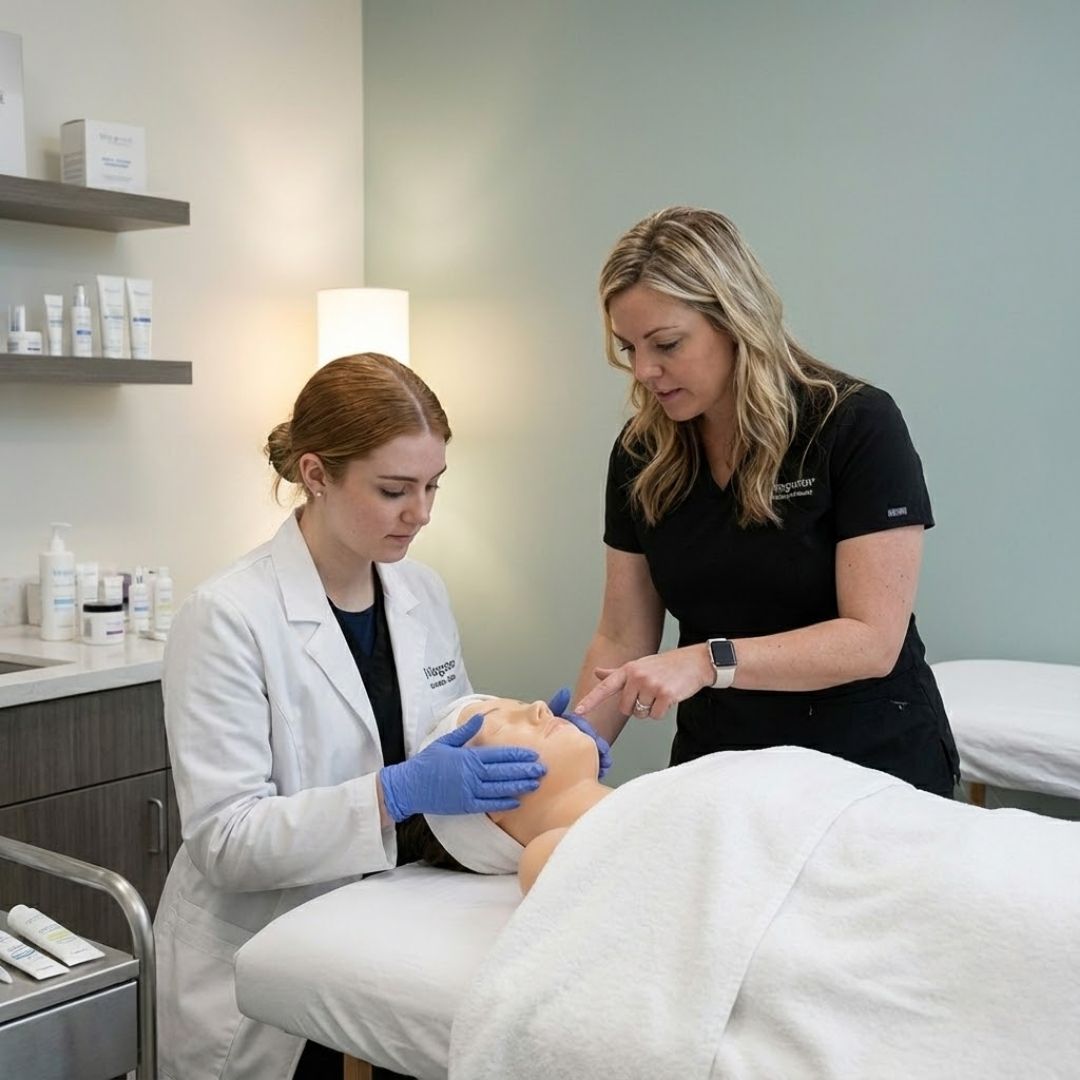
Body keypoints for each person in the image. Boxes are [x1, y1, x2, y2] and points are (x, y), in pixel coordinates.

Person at [153, 353, 555, 1080]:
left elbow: (444, 734)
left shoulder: (420, 592)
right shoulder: (226, 618)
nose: (422, 513)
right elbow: (227, 840)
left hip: (390, 943)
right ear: (315, 474)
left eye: (433, 487)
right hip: (266, 957)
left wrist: (524, 737)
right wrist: (393, 795)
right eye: (395, 490)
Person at [431, 697, 1080, 1080]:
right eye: (506, 719)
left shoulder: (657, 795)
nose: (540, 706)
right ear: (483, 806)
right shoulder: (546, 853)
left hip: (881, 837)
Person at [572, 206, 959, 796]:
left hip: (865, 764)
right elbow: (623, 637)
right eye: (628, 349)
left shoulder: (853, 425)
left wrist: (706, 661)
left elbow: (872, 641)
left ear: (734, 319)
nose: (645, 370)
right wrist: (568, 752)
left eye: (666, 344)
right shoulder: (642, 454)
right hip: (721, 767)